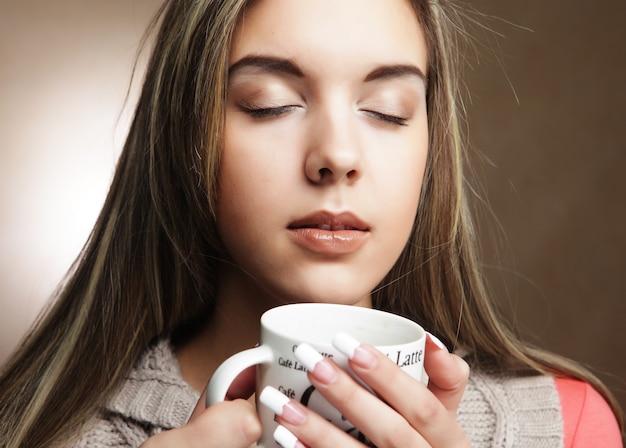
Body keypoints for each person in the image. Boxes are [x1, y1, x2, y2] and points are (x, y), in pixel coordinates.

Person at [0, 0, 623, 446]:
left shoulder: (567, 426)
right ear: (188, 135)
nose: (338, 157)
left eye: (388, 111)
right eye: (270, 104)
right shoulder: (40, 431)